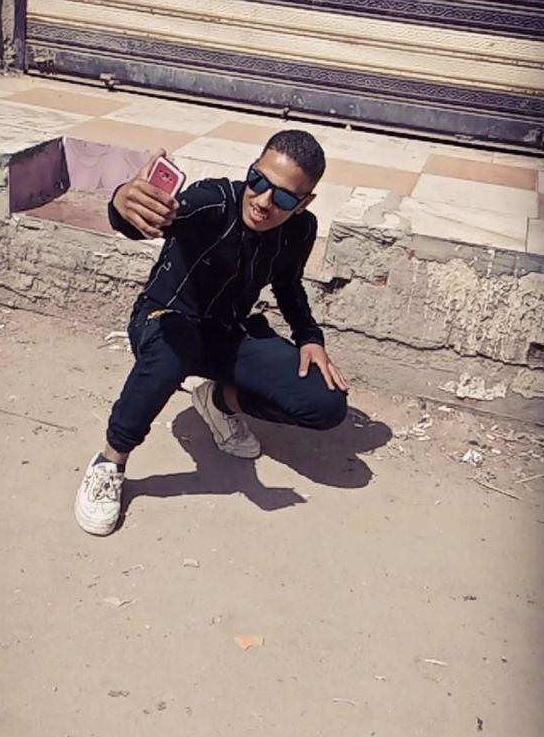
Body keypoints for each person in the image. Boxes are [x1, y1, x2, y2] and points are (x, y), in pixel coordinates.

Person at [75, 129, 349, 535]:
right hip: (165, 322)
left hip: (228, 334)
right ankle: (110, 461)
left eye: (284, 197)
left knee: (325, 403)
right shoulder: (212, 200)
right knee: (174, 350)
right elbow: (148, 221)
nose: (263, 201)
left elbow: (288, 286)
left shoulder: (300, 229)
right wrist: (122, 203)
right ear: (251, 170)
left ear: (304, 202)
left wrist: (310, 337)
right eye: (258, 181)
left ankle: (218, 401)